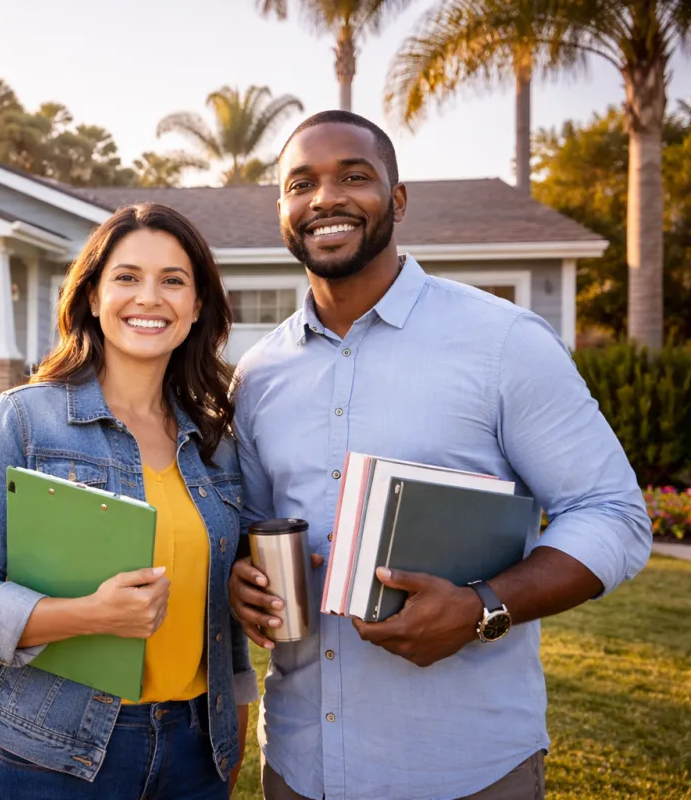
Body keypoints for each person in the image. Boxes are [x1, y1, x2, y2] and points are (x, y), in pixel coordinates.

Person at [227, 110, 652, 800]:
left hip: (466, 769)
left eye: (354, 177)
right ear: (283, 211)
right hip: (301, 768)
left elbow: (612, 514)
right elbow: (251, 527)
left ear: (397, 200)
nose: (325, 198)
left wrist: (484, 606)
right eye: (301, 184)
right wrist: (242, 581)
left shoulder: (504, 342)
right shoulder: (258, 374)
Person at [0, 202, 258, 800]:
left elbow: (223, 618)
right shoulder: (25, 420)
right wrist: (91, 615)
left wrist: (231, 730)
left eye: (173, 281)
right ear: (92, 296)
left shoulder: (215, 444)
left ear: (196, 307)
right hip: (50, 753)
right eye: (127, 277)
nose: (149, 298)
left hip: (194, 750)